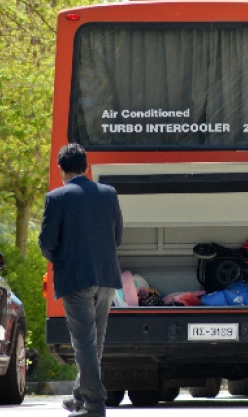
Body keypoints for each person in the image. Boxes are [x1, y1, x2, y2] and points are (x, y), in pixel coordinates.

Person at [39, 144, 124, 417]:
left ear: (60, 169)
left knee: (84, 342)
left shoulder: (57, 198)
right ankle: (80, 396)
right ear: (87, 166)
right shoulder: (108, 194)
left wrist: (63, 260)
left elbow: (46, 243)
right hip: (106, 276)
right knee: (95, 341)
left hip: (75, 279)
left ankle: (95, 403)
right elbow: (117, 237)